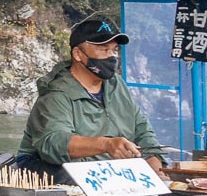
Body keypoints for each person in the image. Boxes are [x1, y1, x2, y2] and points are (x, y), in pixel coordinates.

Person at [15, 16, 164, 185]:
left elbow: (142, 130)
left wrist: (156, 168)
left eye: (114, 50)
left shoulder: (117, 85)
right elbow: (54, 143)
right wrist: (107, 144)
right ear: (78, 54)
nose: (112, 57)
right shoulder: (55, 94)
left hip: (105, 171)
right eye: (103, 49)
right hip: (46, 169)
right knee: (70, 176)